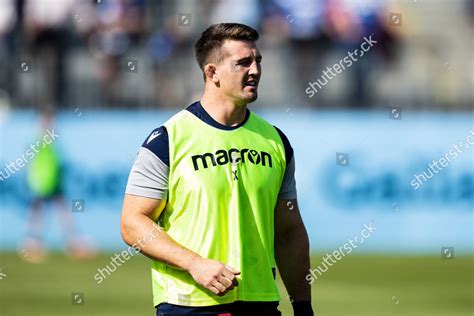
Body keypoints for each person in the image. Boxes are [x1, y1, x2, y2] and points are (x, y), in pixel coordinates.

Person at [121, 23, 313, 316]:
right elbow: (132, 223)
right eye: (243, 63)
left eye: (258, 60)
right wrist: (195, 264)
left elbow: (288, 232)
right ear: (212, 73)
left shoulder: (275, 141)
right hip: (188, 304)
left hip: (259, 303)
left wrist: (303, 306)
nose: (255, 70)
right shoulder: (168, 140)